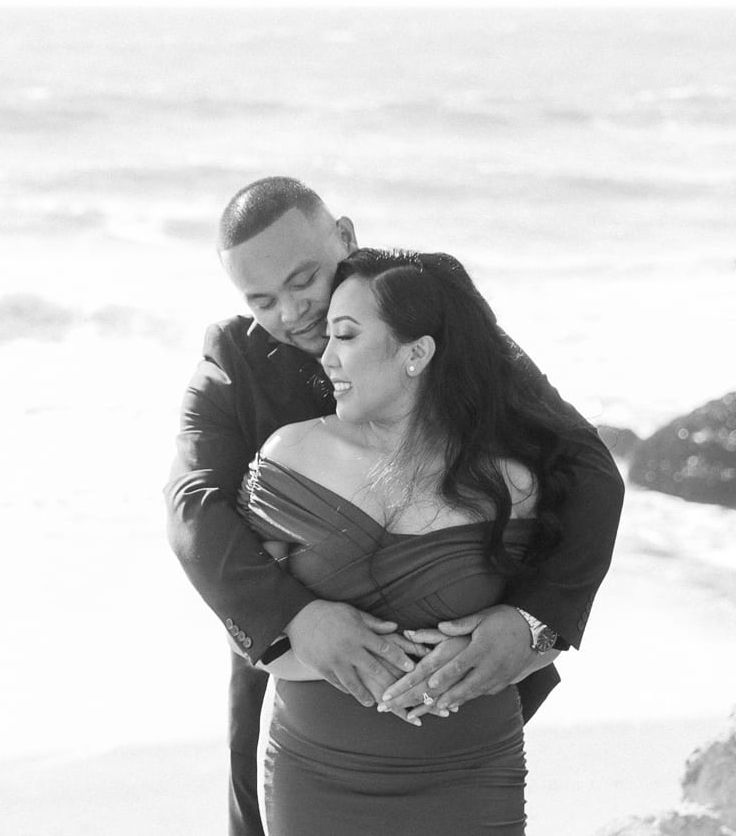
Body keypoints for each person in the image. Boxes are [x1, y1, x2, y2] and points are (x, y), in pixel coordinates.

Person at [164, 178, 624, 836]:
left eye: (304, 281)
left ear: (345, 238)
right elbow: (192, 505)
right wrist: (297, 618)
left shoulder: (427, 316)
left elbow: (586, 467)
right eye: (261, 300)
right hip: (297, 683)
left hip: (462, 701)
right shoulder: (235, 357)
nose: (292, 313)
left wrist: (535, 622)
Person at [246, 247, 576, 834]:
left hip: (471, 780)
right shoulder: (290, 457)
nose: (325, 357)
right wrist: (359, 667)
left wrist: (508, 647)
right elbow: (246, 619)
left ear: (417, 353)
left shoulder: (512, 483)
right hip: (319, 780)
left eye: (345, 336)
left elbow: (547, 630)